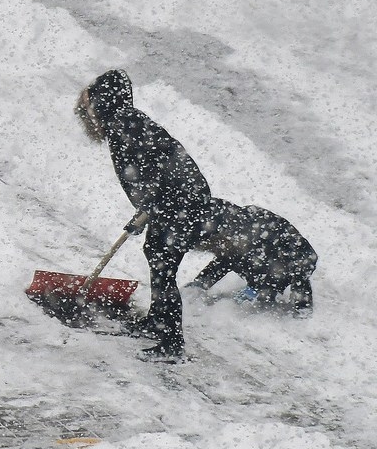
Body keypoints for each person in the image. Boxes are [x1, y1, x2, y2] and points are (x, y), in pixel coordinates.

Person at [75, 69, 212, 362]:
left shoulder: (124, 123)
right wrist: (147, 207)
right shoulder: (123, 121)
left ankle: (172, 344)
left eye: (91, 102)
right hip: (177, 197)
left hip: (179, 199)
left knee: (164, 264)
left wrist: (152, 203)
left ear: (103, 100)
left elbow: (160, 169)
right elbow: (150, 168)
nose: (89, 110)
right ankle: (157, 322)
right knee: (156, 254)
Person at [187, 197, 316, 315]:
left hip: (296, 261)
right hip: (270, 261)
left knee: (263, 304)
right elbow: (223, 262)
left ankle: (302, 314)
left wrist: (254, 292)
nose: (208, 250)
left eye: (208, 245)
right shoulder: (235, 232)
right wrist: (198, 286)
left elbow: (272, 276)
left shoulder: (250, 234)